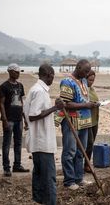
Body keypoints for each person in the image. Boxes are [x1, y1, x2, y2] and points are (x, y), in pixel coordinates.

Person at [54, 59, 99, 190]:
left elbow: (85, 98)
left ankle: (79, 178)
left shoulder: (84, 81)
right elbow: (66, 104)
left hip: (84, 122)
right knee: (70, 152)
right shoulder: (67, 82)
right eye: (85, 71)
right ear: (78, 67)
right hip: (71, 121)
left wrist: (92, 104)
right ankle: (69, 181)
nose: (86, 74)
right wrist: (86, 105)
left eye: (87, 72)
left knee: (81, 151)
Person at [24, 64, 64, 205]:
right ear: (49, 75)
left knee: (40, 175)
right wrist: (55, 107)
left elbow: (29, 115)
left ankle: (39, 200)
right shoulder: (39, 91)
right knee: (48, 177)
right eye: (53, 76)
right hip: (42, 142)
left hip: (38, 140)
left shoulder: (35, 89)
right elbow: (33, 115)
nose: (53, 78)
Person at [0, 63, 29, 177]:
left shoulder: (20, 86)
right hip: (9, 119)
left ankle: (17, 165)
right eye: (16, 72)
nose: (18, 73)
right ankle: (6, 167)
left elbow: (22, 102)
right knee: (6, 143)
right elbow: (1, 104)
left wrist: (25, 118)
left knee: (18, 142)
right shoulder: (3, 86)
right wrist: (4, 120)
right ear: (10, 72)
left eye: (19, 71)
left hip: (18, 119)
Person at [84, 70, 99, 173]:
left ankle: (87, 163)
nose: (91, 82)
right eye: (90, 80)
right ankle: (85, 164)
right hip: (87, 120)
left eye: (93, 80)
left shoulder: (92, 89)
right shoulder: (83, 89)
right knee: (88, 143)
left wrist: (97, 103)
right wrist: (91, 104)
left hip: (95, 120)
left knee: (92, 143)